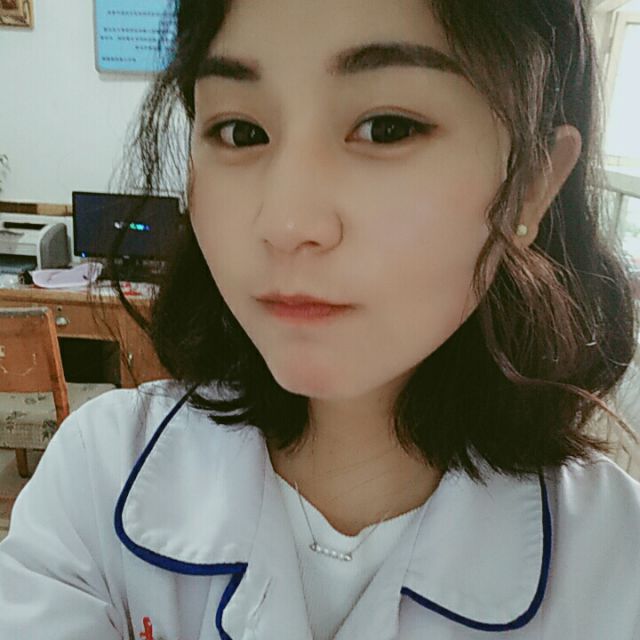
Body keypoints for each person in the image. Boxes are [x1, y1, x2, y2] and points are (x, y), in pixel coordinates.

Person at [1, 0, 639, 638]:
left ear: (531, 182)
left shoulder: (616, 563)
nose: (286, 223)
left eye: (386, 128)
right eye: (240, 131)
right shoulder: (96, 475)